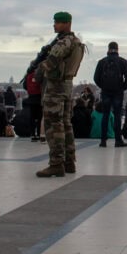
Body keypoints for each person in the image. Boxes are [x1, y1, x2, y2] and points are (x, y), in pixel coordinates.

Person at [35, 12, 85, 178]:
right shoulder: (77, 42)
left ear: (66, 23)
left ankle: (56, 163)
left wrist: (38, 69)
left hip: (56, 87)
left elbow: (51, 63)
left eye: (57, 22)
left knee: (53, 125)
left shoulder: (64, 42)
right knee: (65, 124)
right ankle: (69, 162)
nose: (54, 25)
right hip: (67, 85)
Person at [93, 41, 127, 148]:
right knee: (117, 116)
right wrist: (122, 87)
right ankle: (118, 140)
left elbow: (96, 78)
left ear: (108, 49)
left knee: (105, 115)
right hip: (118, 92)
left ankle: (103, 141)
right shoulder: (123, 62)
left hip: (106, 92)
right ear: (117, 49)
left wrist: (103, 86)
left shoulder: (102, 62)